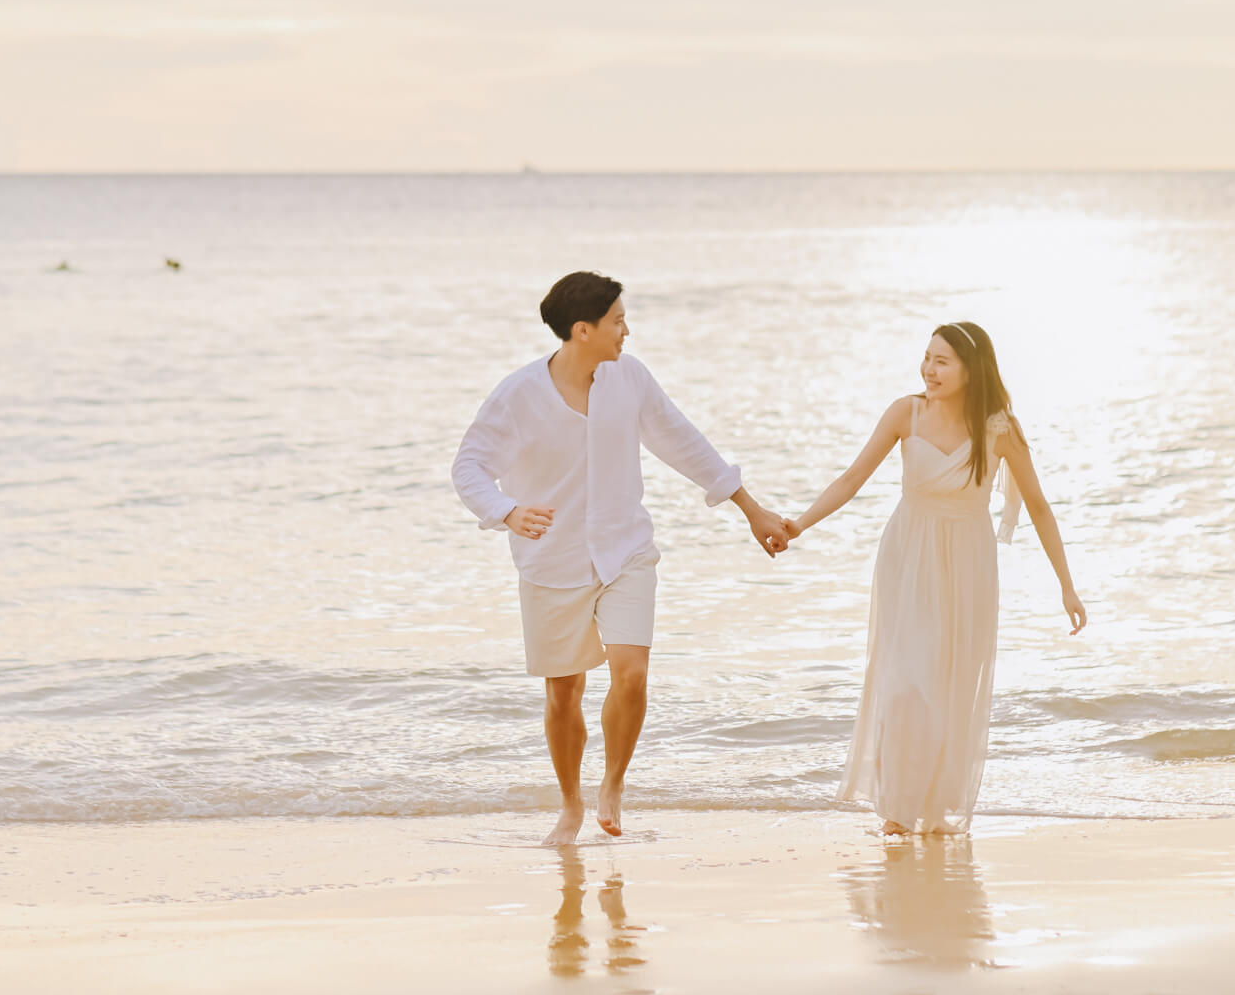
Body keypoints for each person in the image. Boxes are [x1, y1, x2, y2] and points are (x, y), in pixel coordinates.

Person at [452, 271, 792, 846]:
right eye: (617, 321)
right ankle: (570, 804)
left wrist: (750, 509)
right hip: (551, 561)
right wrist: (506, 511)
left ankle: (612, 782)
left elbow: (683, 441)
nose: (626, 331)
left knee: (631, 673)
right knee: (564, 693)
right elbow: (469, 466)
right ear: (582, 330)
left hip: (625, 550)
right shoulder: (518, 396)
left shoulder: (628, 378)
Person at [785, 321, 1086, 836]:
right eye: (927, 357)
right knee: (906, 684)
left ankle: (933, 807)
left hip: (968, 565)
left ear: (972, 369)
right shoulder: (906, 413)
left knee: (951, 688)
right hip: (907, 558)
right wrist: (799, 525)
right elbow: (852, 478)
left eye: (942, 361)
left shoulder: (999, 429)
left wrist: (1067, 585)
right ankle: (898, 810)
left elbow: (1038, 505)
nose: (929, 369)